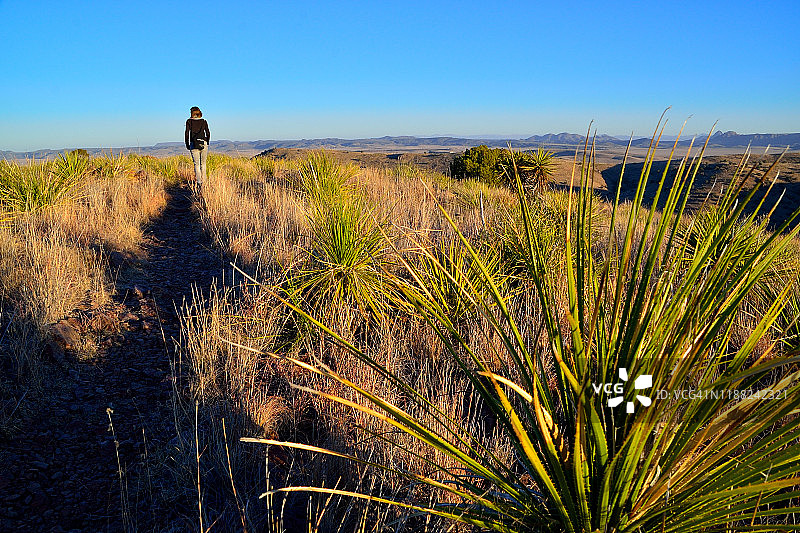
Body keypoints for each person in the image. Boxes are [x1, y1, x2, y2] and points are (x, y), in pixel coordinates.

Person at [185, 106, 210, 185]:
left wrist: (187, 144)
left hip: (193, 144)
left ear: (192, 113)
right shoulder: (204, 121)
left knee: (197, 164)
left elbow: (187, 133)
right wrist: (207, 142)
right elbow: (208, 133)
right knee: (203, 163)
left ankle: (199, 182)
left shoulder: (189, 121)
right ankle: (204, 181)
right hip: (203, 143)